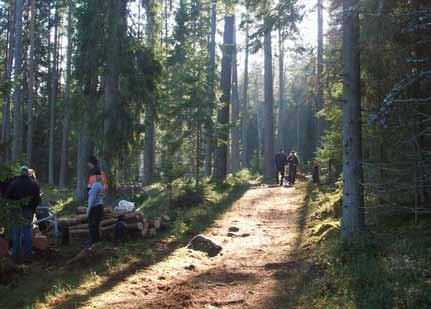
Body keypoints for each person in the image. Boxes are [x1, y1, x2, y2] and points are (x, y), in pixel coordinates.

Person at [5, 166, 41, 260]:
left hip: (16, 210)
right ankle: (28, 254)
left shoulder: (14, 183)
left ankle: (15, 254)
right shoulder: (34, 184)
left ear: (20, 173)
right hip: (28, 211)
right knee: (27, 232)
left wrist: (11, 207)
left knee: (16, 232)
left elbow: (7, 195)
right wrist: (32, 209)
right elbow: (37, 199)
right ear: (28, 173)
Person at [87, 167, 104, 248]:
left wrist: (88, 210)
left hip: (95, 207)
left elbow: (92, 200)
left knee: (92, 225)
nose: (93, 177)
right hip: (100, 206)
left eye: (94, 175)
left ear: (96, 176)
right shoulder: (100, 185)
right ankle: (96, 241)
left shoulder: (95, 186)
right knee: (96, 225)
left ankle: (92, 242)